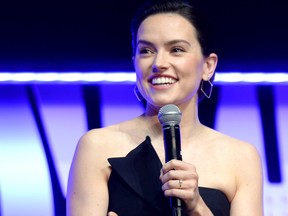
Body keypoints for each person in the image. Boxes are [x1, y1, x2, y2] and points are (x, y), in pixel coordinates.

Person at [66, 0, 263, 215]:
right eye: (146, 50)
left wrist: (197, 207)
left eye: (176, 49)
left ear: (208, 66)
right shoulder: (96, 146)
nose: (158, 63)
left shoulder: (241, 157)